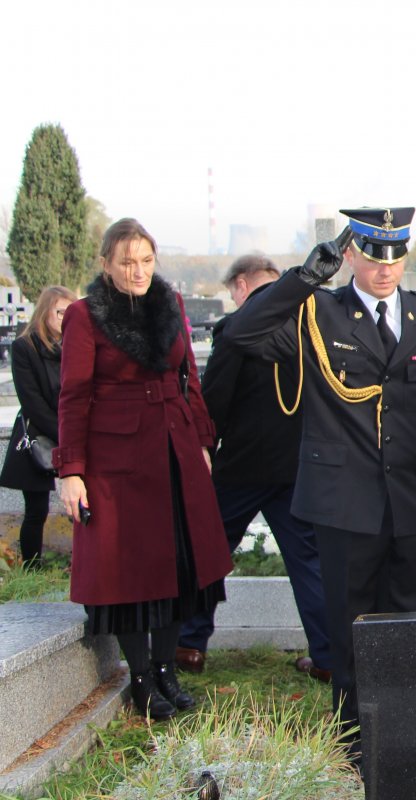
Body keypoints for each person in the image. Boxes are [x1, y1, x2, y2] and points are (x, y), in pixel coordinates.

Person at [222, 208, 416, 760]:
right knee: (350, 628)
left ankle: (406, 736)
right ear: (350, 255)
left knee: (406, 625)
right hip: (343, 504)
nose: (385, 268)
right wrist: (302, 278)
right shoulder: (319, 314)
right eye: (373, 255)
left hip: (411, 501)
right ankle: (353, 742)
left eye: (395, 255)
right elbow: (242, 333)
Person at [55, 218, 232, 721]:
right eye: (128, 261)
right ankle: (140, 680)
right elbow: (73, 396)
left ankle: (166, 670)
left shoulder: (170, 302)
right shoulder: (86, 316)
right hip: (118, 461)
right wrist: (71, 470)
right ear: (107, 264)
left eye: (146, 260)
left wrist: (201, 439)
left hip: (176, 448)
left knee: (180, 566)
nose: (138, 271)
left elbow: (188, 377)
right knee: (129, 573)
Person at [175, 255, 332, 683]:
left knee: (208, 550)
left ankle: (190, 644)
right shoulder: (311, 325)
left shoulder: (237, 328)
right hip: (298, 465)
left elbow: (215, 399)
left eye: (231, 292)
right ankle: (327, 655)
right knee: (308, 563)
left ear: (243, 284)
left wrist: (205, 448)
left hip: (241, 465)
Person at [0, 286, 77, 567]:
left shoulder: (75, 345)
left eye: (71, 313)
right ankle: (32, 569)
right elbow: (32, 401)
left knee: (82, 504)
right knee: (36, 510)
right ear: (45, 312)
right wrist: (65, 436)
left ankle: (82, 564)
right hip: (38, 436)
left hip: (72, 433)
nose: (65, 318)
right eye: (60, 312)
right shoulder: (25, 347)